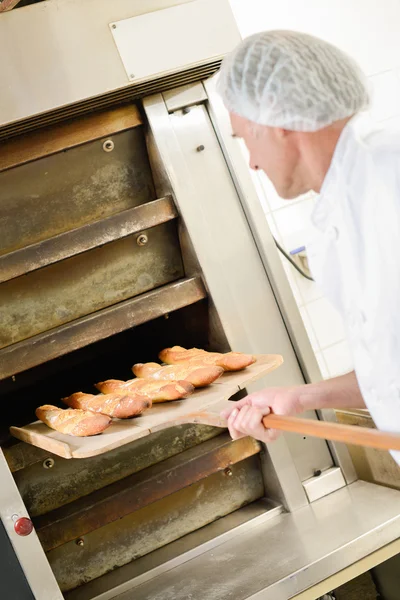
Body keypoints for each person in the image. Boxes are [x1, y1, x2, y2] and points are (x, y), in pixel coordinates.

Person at [217, 30, 400, 465]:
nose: (252, 162)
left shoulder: (390, 177)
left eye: (245, 138)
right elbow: (389, 367)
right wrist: (299, 397)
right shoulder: (331, 222)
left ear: (278, 121)